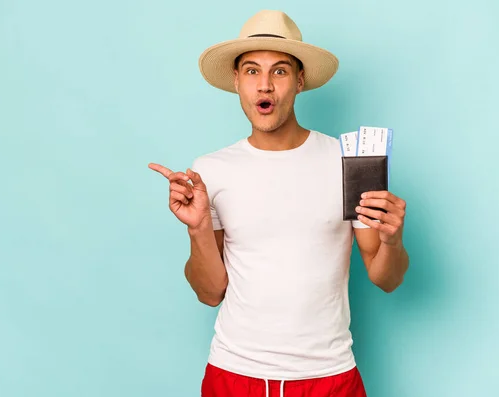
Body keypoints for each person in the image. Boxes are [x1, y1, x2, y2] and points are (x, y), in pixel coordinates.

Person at [148, 9, 409, 397]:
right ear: (236, 80)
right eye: (252, 71)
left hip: (330, 376)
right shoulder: (211, 171)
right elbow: (209, 293)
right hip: (235, 374)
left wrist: (392, 240)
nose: (265, 86)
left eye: (280, 71)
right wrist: (198, 228)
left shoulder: (348, 162)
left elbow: (386, 278)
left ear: (300, 80)